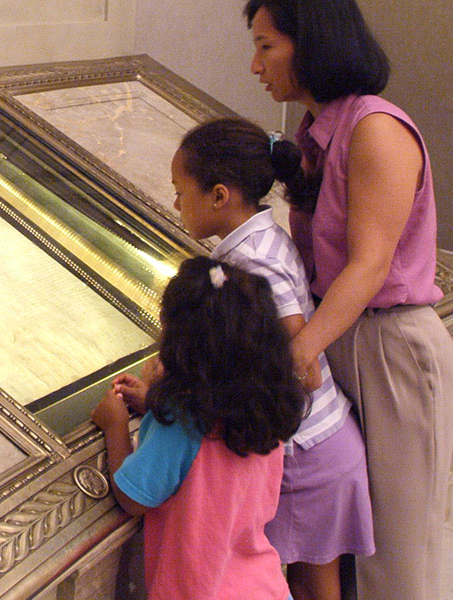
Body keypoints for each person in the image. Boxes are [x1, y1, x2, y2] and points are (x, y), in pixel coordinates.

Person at [116, 117, 375, 600]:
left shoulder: (252, 264)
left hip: (310, 454)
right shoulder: (258, 240)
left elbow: (302, 365)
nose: (174, 203)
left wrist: (185, 384)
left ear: (218, 196)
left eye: (179, 190)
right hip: (322, 444)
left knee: (316, 586)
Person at [244, 1, 453, 599]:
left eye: (267, 46)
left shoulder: (375, 128)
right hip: (342, 339)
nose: (256, 64)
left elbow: (370, 264)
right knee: (356, 537)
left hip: (391, 346)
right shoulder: (317, 133)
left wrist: (300, 351)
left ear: (311, 44)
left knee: (402, 547)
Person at [92, 256, 303, 599]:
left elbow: (134, 498)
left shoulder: (182, 422)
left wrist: (115, 424)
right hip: (264, 587)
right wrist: (155, 403)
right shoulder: (264, 412)